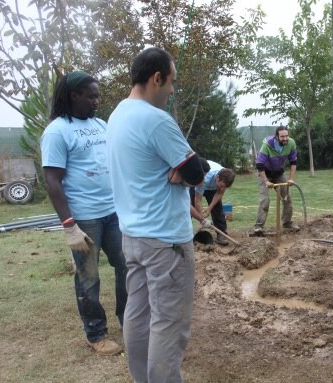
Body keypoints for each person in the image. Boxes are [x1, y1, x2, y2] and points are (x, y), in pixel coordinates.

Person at [106, 47, 205, 382]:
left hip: (133, 236)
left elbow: (186, 168)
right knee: (168, 321)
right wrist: (190, 167)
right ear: (157, 78)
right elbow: (195, 171)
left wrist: (186, 167)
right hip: (165, 242)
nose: (173, 91)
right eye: (171, 83)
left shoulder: (117, 115)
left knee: (138, 313)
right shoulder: (155, 120)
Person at [40, 71, 127, 356]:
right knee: (88, 278)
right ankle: (96, 333)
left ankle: (128, 319)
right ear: (73, 95)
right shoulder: (57, 131)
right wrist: (69, 225)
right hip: (84, 217)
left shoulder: (100, 124)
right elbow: (52, 181)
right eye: (91, 96)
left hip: (113, 212)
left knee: (128, 265)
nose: (96, 101)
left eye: (97, 95)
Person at [253, 125, 300, 234]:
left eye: (286, 136)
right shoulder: (267, 145)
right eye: (282, 136)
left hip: (279, 173)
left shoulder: (291, 143)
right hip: (264, 173)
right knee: (265, 200)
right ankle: (258, 226)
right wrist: (266, 181)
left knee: (287, 198)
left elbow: (293, 162)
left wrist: (291, 179)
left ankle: (287, 222)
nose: (285, 139)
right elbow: (259, 165)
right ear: (277, 136)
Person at [189, 159, 235, 245]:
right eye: (221, 186)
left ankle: (221, 234)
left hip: (212, 187)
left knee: (217, 207)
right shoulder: (205, 178)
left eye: (224, 187)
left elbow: (219, 193)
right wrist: (202, 220)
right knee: (190, 207)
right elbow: (197, 200)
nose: (222, 189)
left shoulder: (226, 178)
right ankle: (185, 233)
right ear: (217, 178)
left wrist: (209, 208)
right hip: (198, 184)